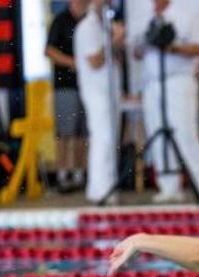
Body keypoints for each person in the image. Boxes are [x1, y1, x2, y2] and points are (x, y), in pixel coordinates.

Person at [134, 0, 199, 204]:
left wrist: (172, 47)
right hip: (152, 82)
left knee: (185, 133)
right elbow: (136, 52)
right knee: (158, 134)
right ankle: (169, 187)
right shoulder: (146, 18)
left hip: (179, 79)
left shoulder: (186, 14)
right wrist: (148, 42)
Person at [74, 0, 125, 204]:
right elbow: (94, 61)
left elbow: (113, 58)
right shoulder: (87, 27)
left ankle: (108, 187)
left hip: (109, 93)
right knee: (102, 138)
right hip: (96, 93)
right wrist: (114, 40)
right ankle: (100, 189)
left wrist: (117, 42)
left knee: (111, 140)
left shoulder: (103, 26)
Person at [45, 0, 90, 193]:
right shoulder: (60, 20)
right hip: (65, 85)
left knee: (82, 132)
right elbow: (49, 50)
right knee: (65, 132)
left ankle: (80, 172)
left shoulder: (90, 20)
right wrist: (72, 62)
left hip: (87, 84)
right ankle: (63, 173)